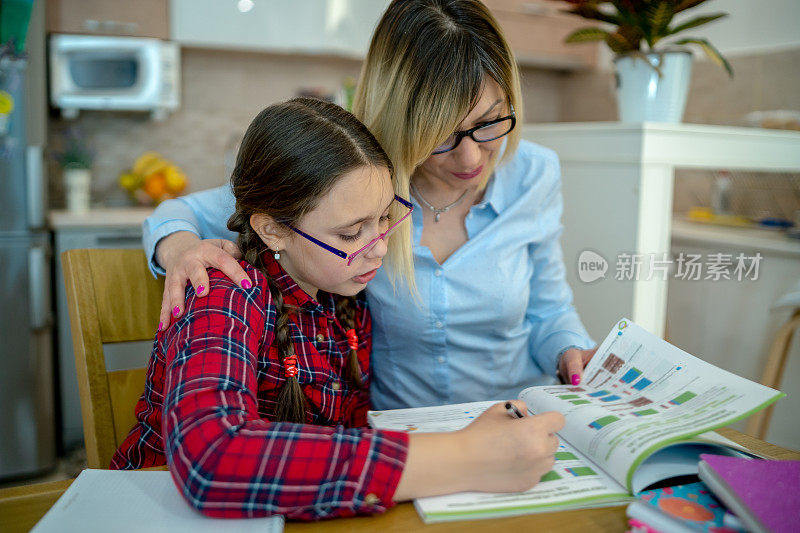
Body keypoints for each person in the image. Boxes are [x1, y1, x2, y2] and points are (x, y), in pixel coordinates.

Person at [113, 97, 564, 519]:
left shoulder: (345, 295)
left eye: (385, 218)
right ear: (272, 230)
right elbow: (212, 457)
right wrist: (464, 457)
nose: (379, 249)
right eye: (352, 234)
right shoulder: (226, 291)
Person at [143, 0, 596, 412]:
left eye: (490, 122)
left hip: (517, 416)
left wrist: (569, 349)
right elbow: (178, 213)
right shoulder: (355, 174)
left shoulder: (535, 173)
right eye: (442, 135)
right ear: (402, 120)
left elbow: (548, 309)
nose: (472, 157)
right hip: (406, 434)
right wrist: (183, 249)